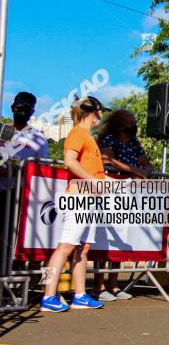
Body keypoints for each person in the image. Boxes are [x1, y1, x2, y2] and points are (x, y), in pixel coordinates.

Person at [40, 97, 110, 312]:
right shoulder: (78, 134)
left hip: (89, 199)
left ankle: (80, 295)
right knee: (66, 246)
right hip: (78, 198)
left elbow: (95, 173)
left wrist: (116, 184)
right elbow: (70, 162)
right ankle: (48, 295)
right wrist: (94, 182)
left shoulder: (88, 137)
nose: (102, 116)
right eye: (101, 112)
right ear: (94, 112)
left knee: (82, 247)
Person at [93, 109, 153, 302]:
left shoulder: (134, 142)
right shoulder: (109, 139)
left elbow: (146, 162)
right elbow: (107, 160)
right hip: (110, 188)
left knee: (120, 236)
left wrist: (144, 171)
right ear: (120, 124)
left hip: (128, 191)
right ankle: (99, 285)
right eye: (131, 122)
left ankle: (114, 284)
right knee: (104, 236)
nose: (134, 126)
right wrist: (133, 169)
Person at [0, 92, 49, 240]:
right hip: (1, 189)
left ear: (32, 112)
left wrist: (13, 166)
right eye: (19, 108)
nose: (22, 112)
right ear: (12, 108)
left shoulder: (37, 137)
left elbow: (41, 166)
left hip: (20, 194)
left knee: (13, 236)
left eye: (27, 109)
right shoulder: (4, 130)